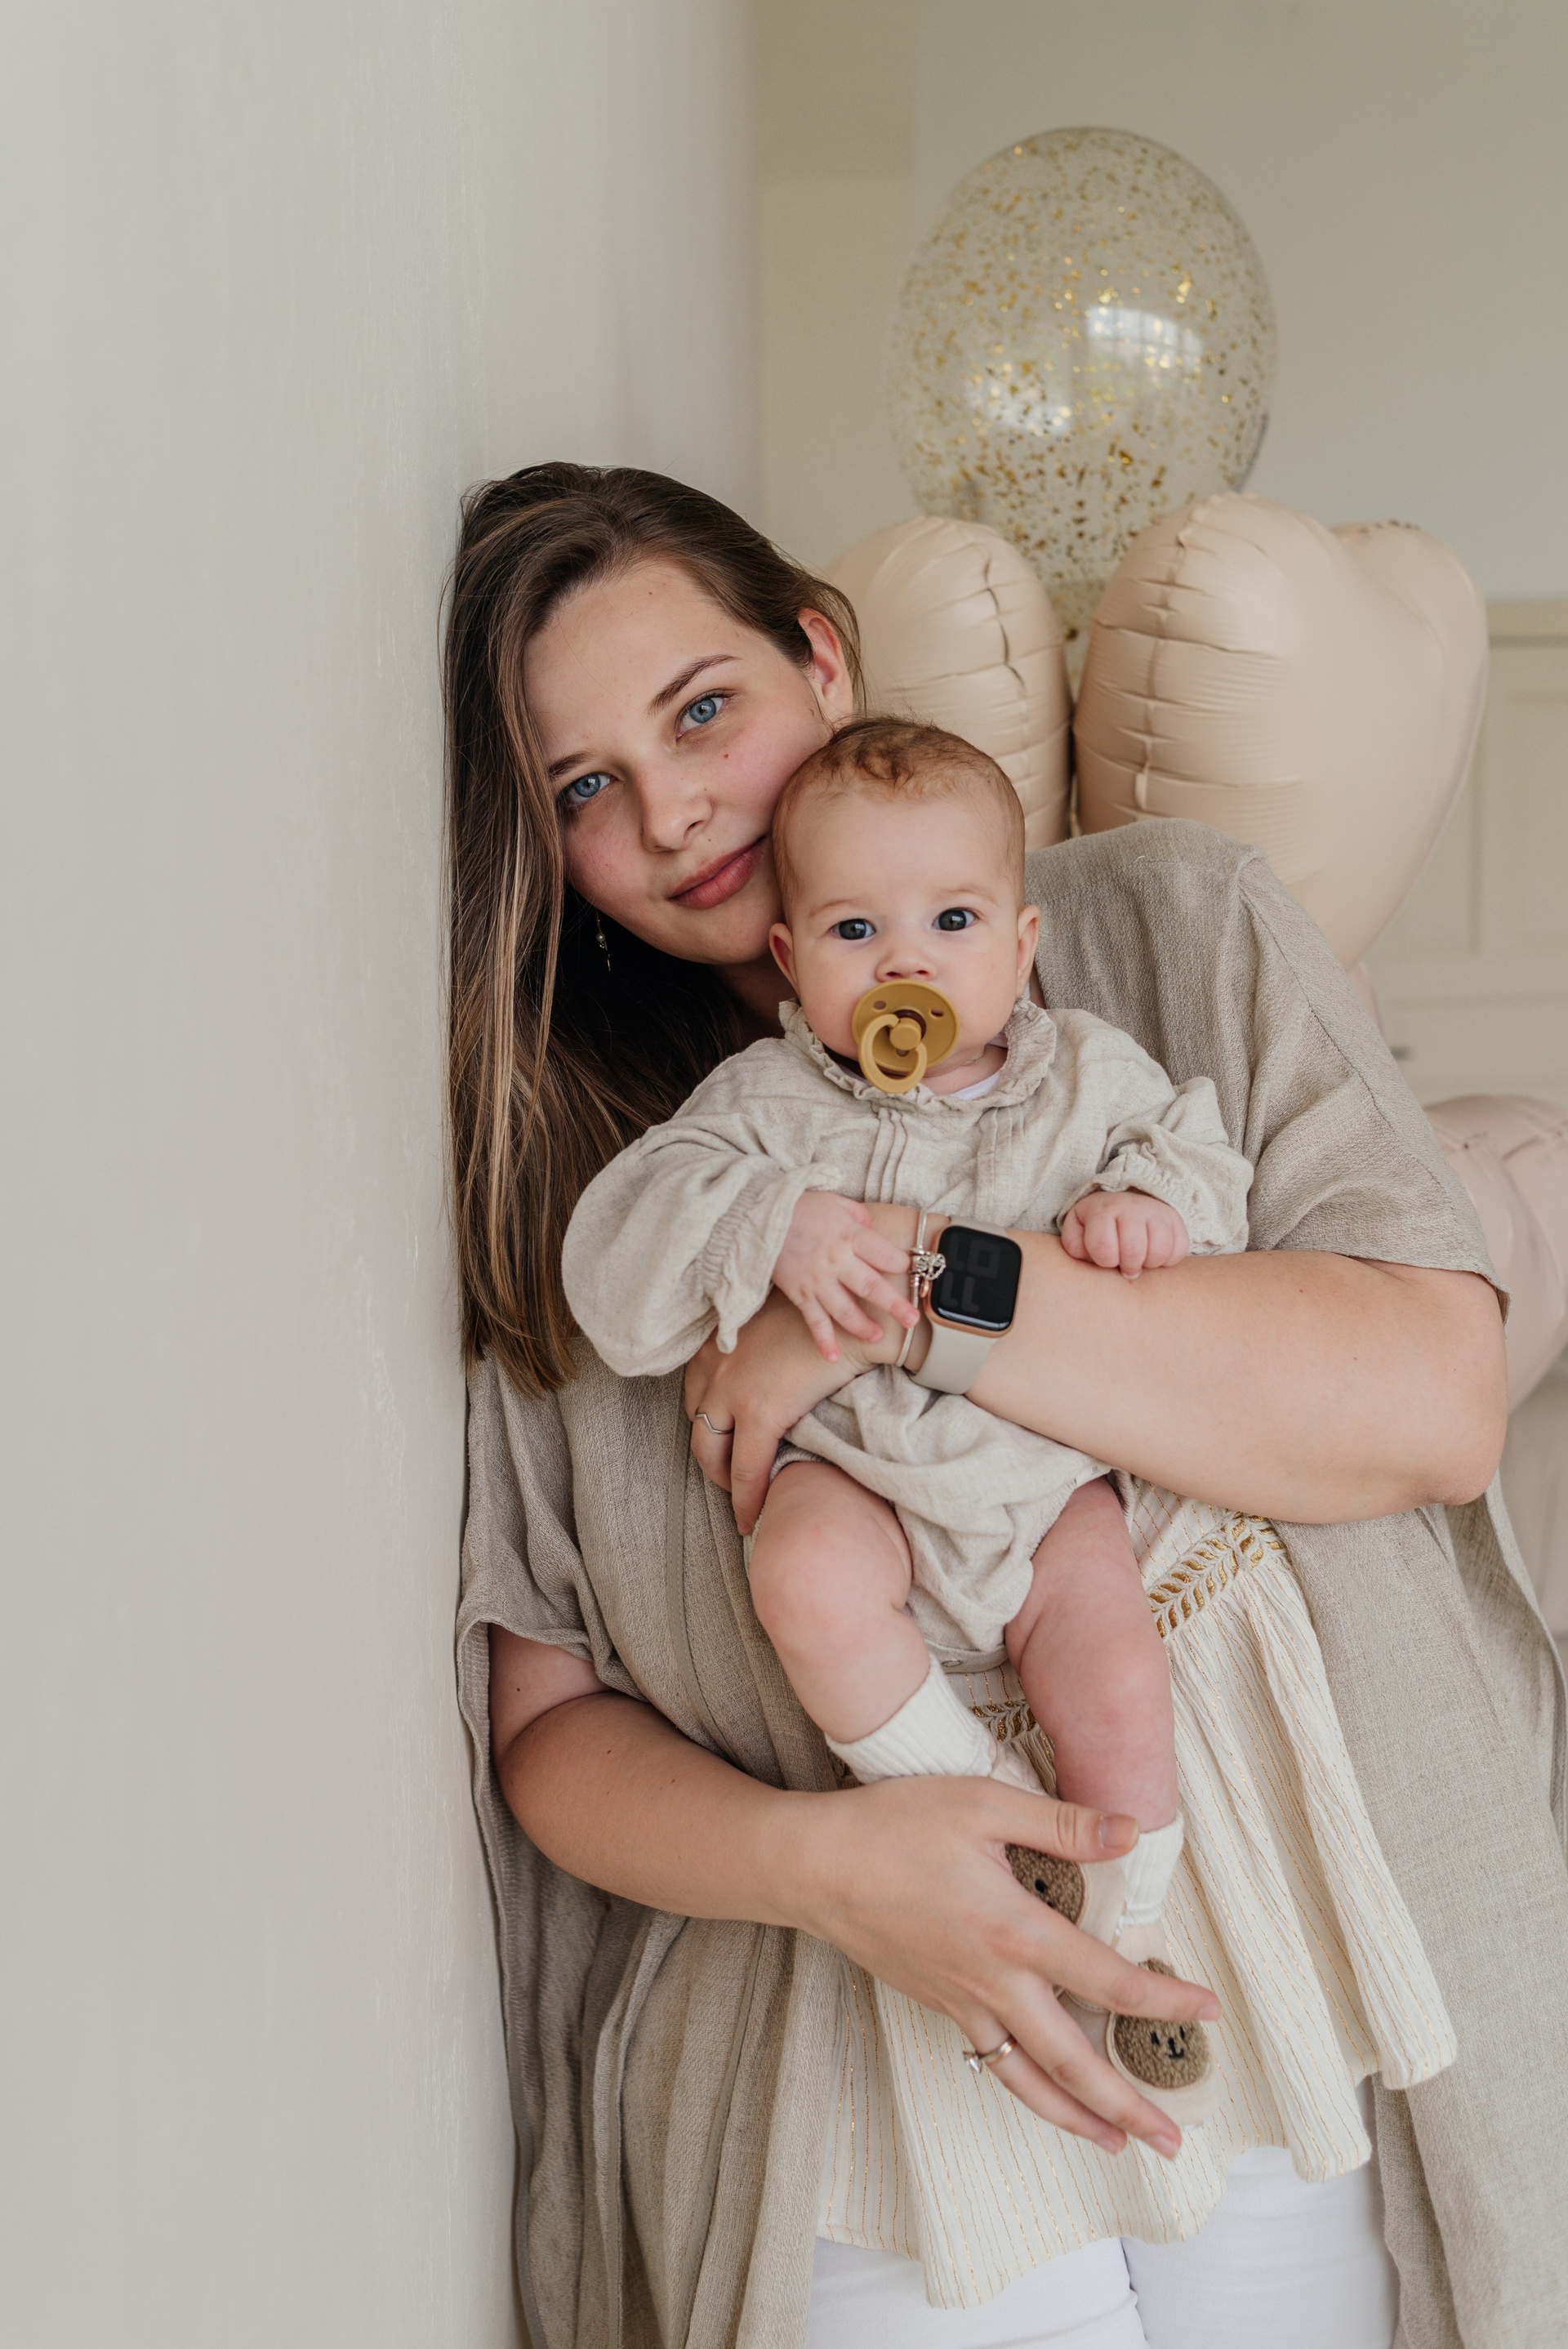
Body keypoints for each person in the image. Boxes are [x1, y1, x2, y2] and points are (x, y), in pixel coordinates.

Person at [448, 462, 1568, 2349]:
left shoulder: (1172, 933)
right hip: (852, 2010)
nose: (673, 809)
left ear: (820, 656)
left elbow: (1435, 1398)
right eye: (583, 788)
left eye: (702, 709)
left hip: (1266, 1911)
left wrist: (903, 1292)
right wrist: (836, 1867)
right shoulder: (594, 1164)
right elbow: (544, 1721)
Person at [562, 713, 1269, 2123]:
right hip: (860, 1471)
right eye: (854, 931)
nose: (907, 965)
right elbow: (615, 1262)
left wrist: (1152, 1204)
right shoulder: (765, 1105)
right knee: (802, 1578)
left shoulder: (1088, 1077)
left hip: (1045, 1484)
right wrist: (772, 1220)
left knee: (1116, 1678)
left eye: (952, 921)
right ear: (790, 961)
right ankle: (973, 1799)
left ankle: (1124, 1922)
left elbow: (1207, 1168)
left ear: (1021, 941)